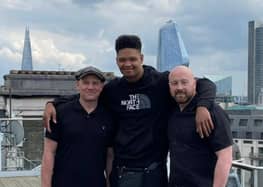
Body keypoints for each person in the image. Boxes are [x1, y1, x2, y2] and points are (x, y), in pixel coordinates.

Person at [43, 35, 216, 187]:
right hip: (123, 172)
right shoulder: (113, 89)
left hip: (155, 171)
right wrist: (53, 103)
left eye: (132, 59)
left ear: (141, 58)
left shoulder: (160, 82)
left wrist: (202, 106)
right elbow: (87, 95)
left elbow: (205, 84)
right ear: (116, 60)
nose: (127, 64)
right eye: (122, 60)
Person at [41, 66, 114, 187]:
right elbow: (49, 153)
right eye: (85, 83)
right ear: (77, 85)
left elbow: (110, 157)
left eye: (95, 83)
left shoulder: (109, 117)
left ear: (101, 87)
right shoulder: (59, 113)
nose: (90, 87)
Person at [168, 65, 233, 187]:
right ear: (169, 86)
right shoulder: (172, 111)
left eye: (184, 82)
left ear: (194, 84)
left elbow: (225, 157)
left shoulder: (213, 112)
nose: (179, 87)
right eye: (174, 83)